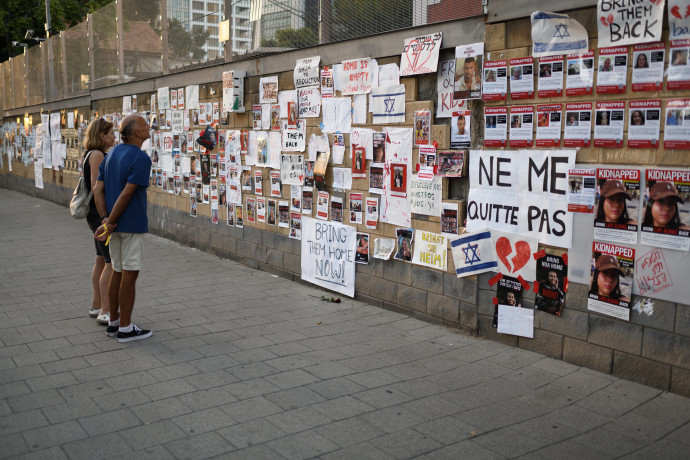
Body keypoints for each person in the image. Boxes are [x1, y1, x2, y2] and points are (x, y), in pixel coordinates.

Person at [93, 114, 153, 343]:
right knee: (130, 274)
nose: (148, 128)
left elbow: (99, 189)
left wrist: (105, 219)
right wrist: (109, 222)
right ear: (137, 132)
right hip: (130, 225)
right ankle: (126, 328)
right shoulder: (141, 158)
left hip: (113, 226)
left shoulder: (112, 154)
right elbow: (127, 193)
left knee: (116, 271)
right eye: (145, 125)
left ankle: (114, 322)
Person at [83, 118, 115, 325]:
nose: (114, 137)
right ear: (101, 135)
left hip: (96, 214)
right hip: (98, 214)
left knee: (100, 259)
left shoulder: (91, 154)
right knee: (111, 262)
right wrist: (105, 217)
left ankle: (96, 305)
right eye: (111, 133)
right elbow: (97, 188)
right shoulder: (96, 155)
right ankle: (106, 310)